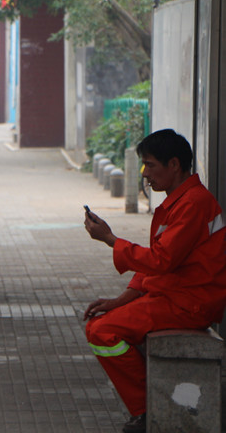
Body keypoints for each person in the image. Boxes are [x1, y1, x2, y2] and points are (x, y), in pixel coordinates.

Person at [83, 129, 226, 433]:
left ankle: (147, 409)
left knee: (102, 332)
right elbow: (158, 261)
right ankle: (150, 404)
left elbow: (160, 261)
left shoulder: (192, 204)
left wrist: (111, 239)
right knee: (101, 325)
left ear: (174, 165)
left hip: (190, 304)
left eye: (151, 165)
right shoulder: (182, 201)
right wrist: (118, 301)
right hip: (177, 297)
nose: (146, 174)